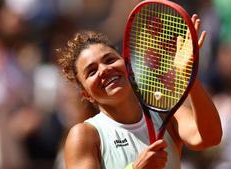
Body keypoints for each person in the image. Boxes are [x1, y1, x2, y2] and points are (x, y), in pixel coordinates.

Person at [57, 14, 222, 169]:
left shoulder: (163, 110)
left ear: (126, 64)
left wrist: (189, 77)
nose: (104, 70)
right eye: (91, 71)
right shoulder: (84, 135)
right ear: (86, 94)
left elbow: (210, 138)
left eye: (110, 60)